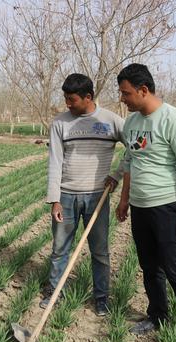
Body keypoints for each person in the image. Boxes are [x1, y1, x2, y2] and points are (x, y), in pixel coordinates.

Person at [115, 63, 176, 342]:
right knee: (149, 267)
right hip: (141, 208)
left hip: (168, 207)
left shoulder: (173, 120)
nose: (123, 98)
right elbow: (130, 162)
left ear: (143, 90)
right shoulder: (131, 123)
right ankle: (157, 316)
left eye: (126, 93)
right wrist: (124, 199)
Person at [44, 73, 124, 316]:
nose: (67, 104)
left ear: (88, 97)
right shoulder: (60, 123)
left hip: (97, 198)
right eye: (66, 99)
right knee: (60, 248)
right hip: (66, 196)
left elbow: (135, 148)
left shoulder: (111, 121)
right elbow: (55, 162)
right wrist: (55, 199)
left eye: (72, 99)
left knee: (99, 251)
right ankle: (56, 292)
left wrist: (117, 175)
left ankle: (101, 297)